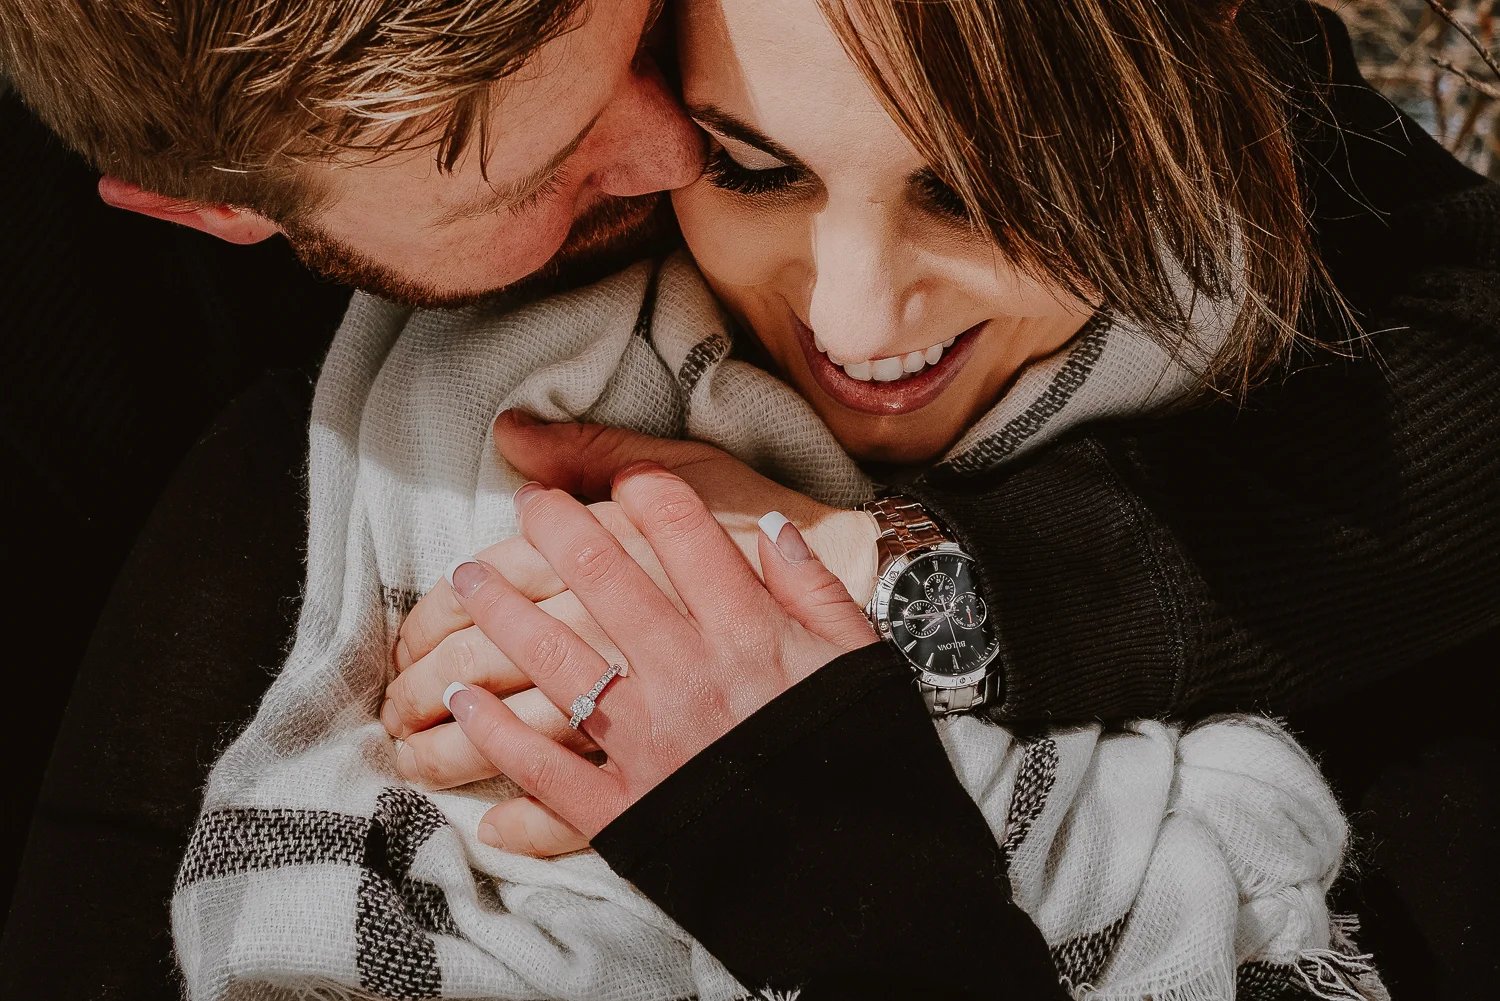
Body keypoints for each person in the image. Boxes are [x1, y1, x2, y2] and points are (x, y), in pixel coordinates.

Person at [0, 0, 1494, 995]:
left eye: (633, 35)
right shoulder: (221, 452)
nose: (665, 144)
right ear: (214, 213)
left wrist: (900, 589)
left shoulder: (1130, 161)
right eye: (751, 165)